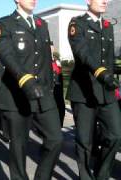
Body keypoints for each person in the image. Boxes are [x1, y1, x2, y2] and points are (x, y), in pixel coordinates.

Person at [0, 0, 63, 179]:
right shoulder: (5, 23)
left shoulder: (42, 24)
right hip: (17, 94)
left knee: (56, 139)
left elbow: (46, 58)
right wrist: (25, 79)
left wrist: (50, 84)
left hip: (43, 93)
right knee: (19, 146)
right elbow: (7, 55)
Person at [67, 0, 121, 179]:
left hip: (106, 93)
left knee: (115, 135)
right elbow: (83, 53)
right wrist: (102, 72)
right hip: (84, 92)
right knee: (85, 141)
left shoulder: (107, 26)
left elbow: (110, 59)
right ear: (88, 1)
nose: (105, 1)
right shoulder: (77, 23)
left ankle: (101, 175)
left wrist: (113, 78)